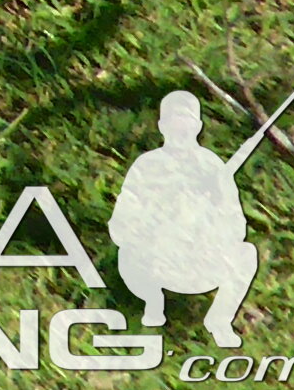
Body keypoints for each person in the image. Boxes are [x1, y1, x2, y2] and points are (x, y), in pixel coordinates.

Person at [110, 92, 261, 345]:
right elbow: (121, 223)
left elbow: (237, 226)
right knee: (127, 254)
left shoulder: (213, 167)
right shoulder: (146, 165)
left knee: (246, 254)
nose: (180, 130)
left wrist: (213, 209)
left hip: (200, 260)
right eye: (173, 123)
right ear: (162, 127)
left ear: (198, 127)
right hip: (156, 260)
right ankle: (153, 302)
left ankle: (220, 321)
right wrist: (156, 221)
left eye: (187, 124)